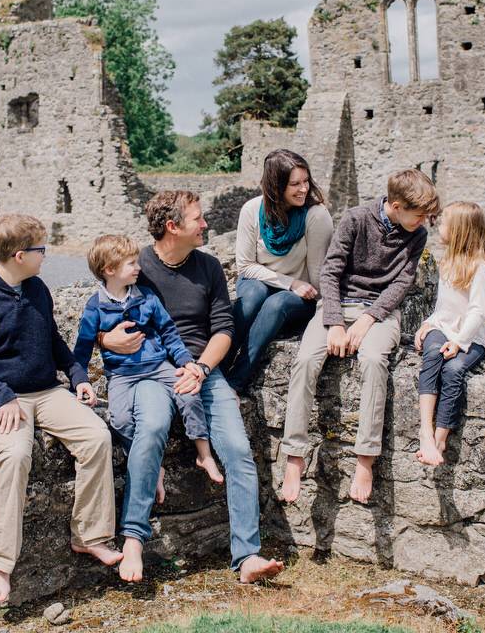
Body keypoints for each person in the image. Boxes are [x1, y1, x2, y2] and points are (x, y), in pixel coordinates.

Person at [99, 190, 285, 584]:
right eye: (198, 219)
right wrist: (104, 340)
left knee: (237, 450)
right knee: (149, 431)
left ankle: (247, 556)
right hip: (151, 370)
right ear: (172, 227)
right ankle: (133, 538)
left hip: (202, 369)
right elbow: (100, 313)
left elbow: (224, 330)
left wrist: (200, 368)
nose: (206, 225)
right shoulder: (137, 267)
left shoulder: (209, 267)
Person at [0, 214, 120, 604]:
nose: (46, 256)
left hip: (47, 391)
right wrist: (2, 394)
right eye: (42, 250)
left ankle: (90, 536)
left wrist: (78, 376)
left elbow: (55, 342)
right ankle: (2, 565)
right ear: (20, 255)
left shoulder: (37, 288)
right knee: (14, 455)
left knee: (96, 437)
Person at [280, 169, 441, 505]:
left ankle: (364, 460)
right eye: (420, 214)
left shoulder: (417, 234)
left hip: (380, 313)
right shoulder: (355, 219)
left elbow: (401, 285)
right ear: (396, 206)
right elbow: (331, 271)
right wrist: (335, 321)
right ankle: (294, 457)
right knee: (306, 360)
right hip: (339, 304)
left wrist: (368, 319)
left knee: (372, 361)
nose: (425, 221)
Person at [72, 233, 224, 484]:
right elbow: (83, 347)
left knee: (189, 395)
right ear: (109, 269)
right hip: (121, 374)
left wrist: (185, 360)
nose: (139, 267)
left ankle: (204, 453)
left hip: (158, 366)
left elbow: (169, 332)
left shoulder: (146, 297)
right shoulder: (94, 306)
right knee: (119, 420)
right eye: (131, 263)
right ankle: (153, 463)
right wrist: (79, 381)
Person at [227, 149, 334, 393]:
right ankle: (217, 370)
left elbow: (318, 276)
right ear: (276, 186)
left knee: (277, 303)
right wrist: (289, 282)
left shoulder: (316, 216)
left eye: (306, 181)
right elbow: (245, 266)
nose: (304, 189)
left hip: (300, 297)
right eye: (294, 184)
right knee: (253, 296)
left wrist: (328, 316)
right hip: (259, 282)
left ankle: (236, 382)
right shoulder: (252, 210)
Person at [413, 201, 485, 466]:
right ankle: (426, 430)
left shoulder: (479, 267)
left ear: (459, 230)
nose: (439, 226)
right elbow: (443, 306)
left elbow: (477, 312)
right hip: (442, 328)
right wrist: (428, 323)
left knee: (453, 371)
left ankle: (440, 437)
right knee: (432, 357)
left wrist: (459, 342)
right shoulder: (447, 261)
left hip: (470, 339)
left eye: (445, 222)